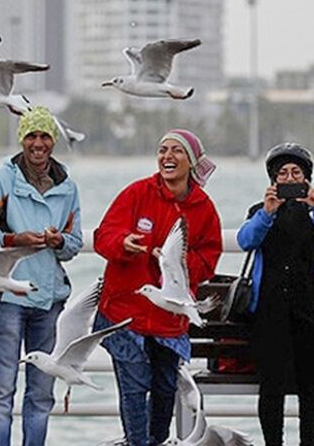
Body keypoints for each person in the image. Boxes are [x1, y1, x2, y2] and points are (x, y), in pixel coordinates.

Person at [92, 129, 224, 446]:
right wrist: (123, 243)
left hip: (168, 319)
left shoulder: (203, 207)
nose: (167, 156)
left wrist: (175, 262)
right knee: (134, 387)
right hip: (125, 312)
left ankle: (156, 440)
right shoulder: (137, 193)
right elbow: (103, 237)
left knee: (165, 387)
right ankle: (138, 442)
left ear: (191, 161)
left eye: (176, 151)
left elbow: (209, 257)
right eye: (162, 149)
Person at [0, 107, 83, 446]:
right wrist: (13, 240)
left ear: (53, 141)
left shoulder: (69, 187)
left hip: (50, 301)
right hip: (9, 298)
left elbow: (74, 243)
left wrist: (58, 240)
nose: (38, 143)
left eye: (45, 136)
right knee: (1, 389)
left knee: (41, 392)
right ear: (22, 139)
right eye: (31, 136)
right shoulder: (0, 182)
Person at [236, 143, 314, 446]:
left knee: (311, 385)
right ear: (272, 180)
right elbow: (245, 240)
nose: (290, 179)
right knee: (271, 386)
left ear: (307, 177)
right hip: (270, 307)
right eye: (283, 173)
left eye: (296, 172)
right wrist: (267, 213)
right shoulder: (260, 210)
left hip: (312, 309)